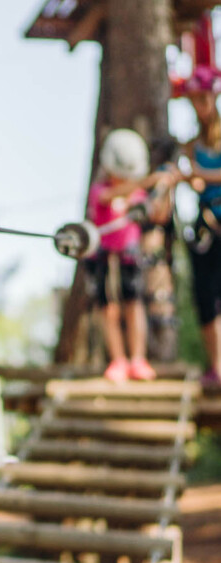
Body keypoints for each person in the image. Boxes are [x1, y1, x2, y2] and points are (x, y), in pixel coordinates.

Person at [85, 128, 176, 382]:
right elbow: (109, 196)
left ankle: (137, 359)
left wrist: (164, 188)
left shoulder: (137, 195)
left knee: (134, 306)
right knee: (109, 310)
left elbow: (159, 216)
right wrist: (148, 181)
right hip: (103, 258)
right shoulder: (100, 190)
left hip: (129, 258)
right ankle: (118, 360)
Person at [179, 67, 221, 388]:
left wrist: (196, 173)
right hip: (206, 224)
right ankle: (216, 367)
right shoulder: (192, 145)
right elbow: (194, 182)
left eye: (202, 98)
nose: (199, 105)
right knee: (206, 297)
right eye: (194, 100)